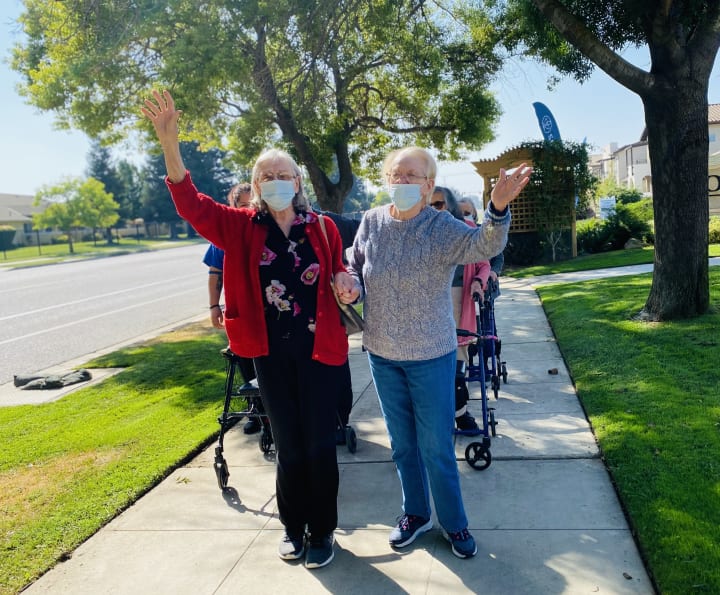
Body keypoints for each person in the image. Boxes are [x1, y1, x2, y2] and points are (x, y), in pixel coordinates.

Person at [142, 89, 358, 569]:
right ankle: (291, 527)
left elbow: (341, 273)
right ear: (254, 184)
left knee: (321, 445)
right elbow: (191, 204)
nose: (276, 181)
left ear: (298, 181)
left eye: (284, 175)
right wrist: (170, 144)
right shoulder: (238, 226)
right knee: (288, 444)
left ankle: (322, 531)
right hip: (269, 353)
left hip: (321, 351)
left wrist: (345, 281)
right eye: (267, 176)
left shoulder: (322, 228)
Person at [345, 146, 531, 559]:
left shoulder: (440, 226)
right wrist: (350, 283)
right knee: (402, 445)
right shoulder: (372, 221)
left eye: (413, 175)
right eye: (397, 174)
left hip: (431, 353)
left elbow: (484, 244)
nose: (403, 182)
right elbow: (355, 263)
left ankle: (454, 523)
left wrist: (497, 207)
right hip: (382, 352)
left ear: (429, 184)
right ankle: (415, 514)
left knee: (436, 446)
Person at [202, 182, 264, 434]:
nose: (247, 210)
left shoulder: (269, 230)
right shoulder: (222, 238)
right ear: (232, 208)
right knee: (246, 364)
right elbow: (214, 274)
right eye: (241, 206)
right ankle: (255, 412)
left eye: (252, 204)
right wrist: (214, 306)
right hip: (240, 314)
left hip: (270, 312)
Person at [431, 186, 490, 435]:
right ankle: (440, 418)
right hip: (429, 310)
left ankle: (461, 414)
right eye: (429, 205)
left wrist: (479, 281)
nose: (433, 210)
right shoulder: (421, 231)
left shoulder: (465, 229)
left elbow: (484, 264)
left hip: (458, 303)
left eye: (439, 204)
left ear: (450, 206)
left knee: (455, 372)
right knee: (434, 377)